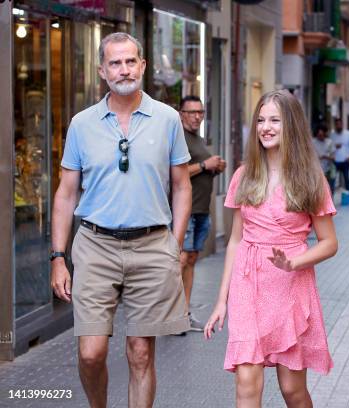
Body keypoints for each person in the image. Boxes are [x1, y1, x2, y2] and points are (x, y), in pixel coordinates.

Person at [50, 32, 191, 407]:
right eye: (115, 63)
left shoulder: (168, 119)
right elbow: (65, 194)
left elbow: (181, 186)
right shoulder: (81, 124)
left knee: (140, 352)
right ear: (102, 71)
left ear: (142, 65)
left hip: (151, 246)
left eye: (130, 61)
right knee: (90, 353)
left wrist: (174, 245)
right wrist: (57, 257)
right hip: (95, 246)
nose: (124, 69)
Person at [204, 90, 338, 407]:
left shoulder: (311, 179)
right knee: (247, 382)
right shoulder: (244, 175)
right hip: (248, 284)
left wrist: (295, 262)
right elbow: (236, 240)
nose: (265, 127)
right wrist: (221, 300)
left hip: (290, 285)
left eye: (275, 120)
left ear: (290, 125)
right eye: (261, 120)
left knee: (292, 389)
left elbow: (330, 243)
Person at [177, 95, 226, 333]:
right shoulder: (178, 138)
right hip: (184, 210)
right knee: (181, 260)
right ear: (181, 114)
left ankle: (184, 313)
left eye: (201, 112)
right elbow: (174, 173)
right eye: (192, 112)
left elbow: (199, 171)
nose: (197, 116)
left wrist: (214, 168)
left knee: (192, 260)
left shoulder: (198, 139)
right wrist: (206, 165)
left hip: (201, 210)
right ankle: (172, 314)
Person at [331, 117, 349, 192]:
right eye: (337, 124)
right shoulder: (332, 135)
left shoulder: (348, 134)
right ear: (335, 125)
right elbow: (329, 148)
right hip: (335, 161)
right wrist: (335, 147)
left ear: (342, 124)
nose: (338, 126)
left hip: (345, 161)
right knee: (333, 180)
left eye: (340, 124)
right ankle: (331, 198)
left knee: (347, 178)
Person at [312, 123, 336, 195]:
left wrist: (325, 156)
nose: (320, 137)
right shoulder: (312, 142)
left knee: (329, 190)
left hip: (328, 170)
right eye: (319, 135)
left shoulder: (329, 142)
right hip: (316, 171)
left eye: (322, 135)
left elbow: (333, 157)